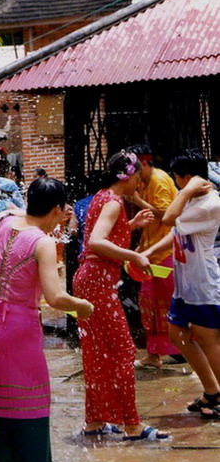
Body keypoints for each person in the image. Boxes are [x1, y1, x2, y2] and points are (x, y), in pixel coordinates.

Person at [0, 178, 94, 462]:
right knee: (30, 403)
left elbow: (15, 212)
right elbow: (55, 297)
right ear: (57, 209)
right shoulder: (42, 243)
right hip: (19, 329)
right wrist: (82, 306)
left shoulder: (6, 222)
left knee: (3, 406)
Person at [72, 151, 169, 441]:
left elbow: (100, 239)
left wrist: (131, 226)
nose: (139, 184)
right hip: (98, 284)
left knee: (97, 355)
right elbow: (96, 242)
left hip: (89, 281)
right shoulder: (113, 202)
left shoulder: (102, 197)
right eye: (138, 178)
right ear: (126, 177)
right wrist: (134, 257)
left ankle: (95, 421)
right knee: (123, 352)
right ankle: (132, 425)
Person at [141, 150, 220, 420]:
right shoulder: (189, 198)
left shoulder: (210, 203)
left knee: (209, 341)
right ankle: (212, 389)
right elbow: (175, 233)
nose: (175, 184)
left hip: (203, 284)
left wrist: (185, 193)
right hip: (185, 283)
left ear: (190, 178)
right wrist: (150, 253)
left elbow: (168, 220)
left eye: (178, 179)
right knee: (178, 335)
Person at [127, 144, 181, 368]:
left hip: (165, 251)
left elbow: (168, 216)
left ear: (146, 164)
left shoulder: (158, 179)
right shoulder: (146, 180)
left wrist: (138, 201)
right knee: (149, 303)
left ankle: (178, 350)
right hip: (152, 249)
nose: (135, 175)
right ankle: (155, 354)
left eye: (137, 169)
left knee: (165, 304)